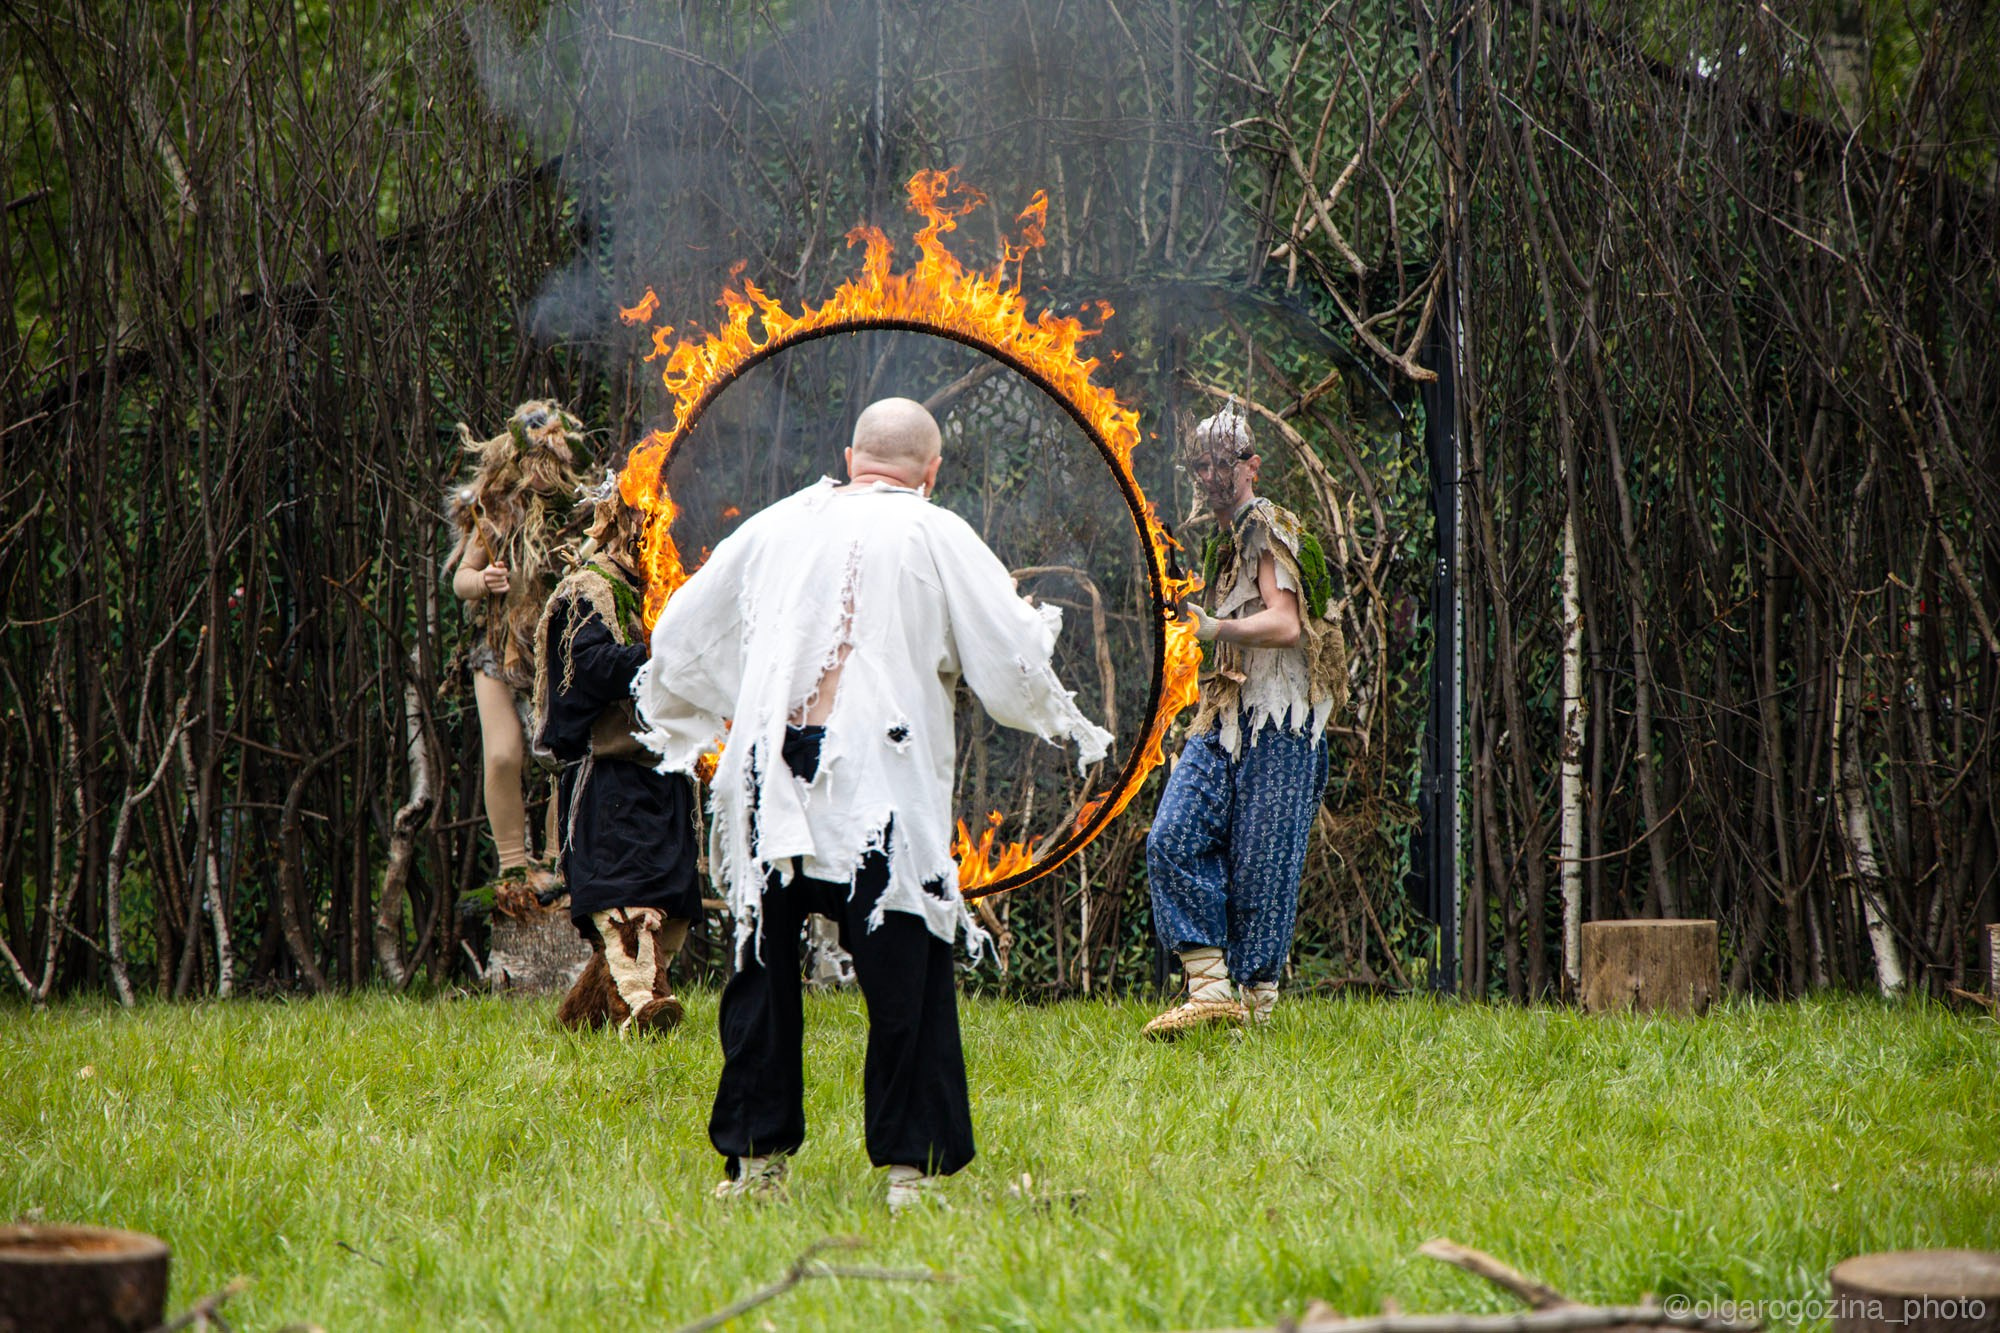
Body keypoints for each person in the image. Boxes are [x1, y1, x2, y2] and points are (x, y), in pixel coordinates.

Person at [635, 397, 1112, 1210]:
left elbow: (678, 639)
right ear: (932, 472)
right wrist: (1052, 702)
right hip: (879, 786)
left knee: (760, 970)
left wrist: (733, 699)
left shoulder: (775, 525)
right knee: (907, 977)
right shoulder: (938, 531)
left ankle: (755, 1169)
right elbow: (1013, 664)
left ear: (852, 457)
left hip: (773, 774)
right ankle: (908, 1179)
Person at [1144, 408, 1347, 1039]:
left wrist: (1215, 628)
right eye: (1200, 464)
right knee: (1172, 835)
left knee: (1264, 868)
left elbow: (1287, 624)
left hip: (1281, 723)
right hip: (1226, 715)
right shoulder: (1220, 541)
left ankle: (1254, 1020)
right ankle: (1208, 992)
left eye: (1221, 463)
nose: (1209, 475)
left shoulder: (1268, 525)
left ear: (1251, 466)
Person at [535, 473, 704, 1035]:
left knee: (669, 909)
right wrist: (662, 650)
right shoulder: (587, 590)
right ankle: (640, 1006)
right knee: (629, 903)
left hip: (666, 774)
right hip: (610, 778)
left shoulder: (670, 592)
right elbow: (587, 670)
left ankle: (582, 1019)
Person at [445, 399, 586, 910]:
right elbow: (461, 579)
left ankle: (557, 860)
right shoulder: (496, 510)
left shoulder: (577, 512)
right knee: (503, 754)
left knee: (562, 757)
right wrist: (483, 579)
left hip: (556, 656)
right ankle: (512, 865)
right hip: (497, 651)